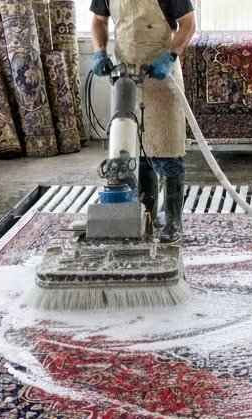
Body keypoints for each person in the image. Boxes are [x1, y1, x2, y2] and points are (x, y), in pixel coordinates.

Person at [90, 0, 197, 243]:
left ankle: (172, 223)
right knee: (132, 150)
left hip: (161, 77)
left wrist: (170, 55)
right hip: (125, 78)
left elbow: (188, 24)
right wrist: (98, 52)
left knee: (168, 151)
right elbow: (98, 20)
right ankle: (145, 216)